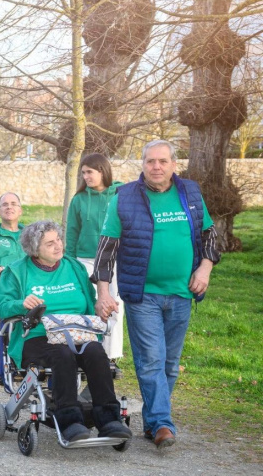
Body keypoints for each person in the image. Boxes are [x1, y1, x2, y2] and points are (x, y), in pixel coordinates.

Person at [91, 139, 219, 449]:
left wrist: (204, 270)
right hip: (142, 294)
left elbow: (210, 236)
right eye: (150, 161)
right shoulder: (124, 198)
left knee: (170, 365)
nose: (156, 167)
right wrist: (103, 293)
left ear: (174, 164)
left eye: (162, 161)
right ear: (143, 165)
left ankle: (152, 421)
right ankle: (163, 424)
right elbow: (106, 250)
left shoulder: (190, 192)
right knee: (151, 361)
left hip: (181, 293)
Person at [0, 221, 132, 443]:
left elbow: (90, 300)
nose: (58, 245)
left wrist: (101, 306)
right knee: (62, 355)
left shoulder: (74, 267)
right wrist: (21, 303)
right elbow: (2, 307)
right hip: (37, 337)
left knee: (96, 352)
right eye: (50, 243)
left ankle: (109, 419)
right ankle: (69, 420)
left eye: (58, 239)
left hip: (78, 333)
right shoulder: (17, 272)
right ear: (34, 249)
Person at [65, 153, 124, 360]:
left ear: (102, 171)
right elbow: (71, 232)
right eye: (83, 173)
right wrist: (69, 263)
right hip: (85, 259)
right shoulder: (79, 199)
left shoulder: (120, 193)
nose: (86, 177)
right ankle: (89, 354)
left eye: (90, 172)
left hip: (114, 261)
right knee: (89, 306)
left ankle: (111, 357)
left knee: (115, 306)